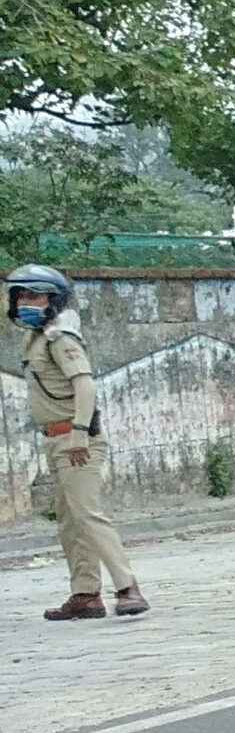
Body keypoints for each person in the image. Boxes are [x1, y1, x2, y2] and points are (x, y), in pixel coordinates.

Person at [9, 264, 147, 621]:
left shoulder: (61, 337)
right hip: (58, 438)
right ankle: (85, 594)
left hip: (75, 438)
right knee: (70, 522)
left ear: (53, 300)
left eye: (35, 295)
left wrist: (80, 432)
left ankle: (127, 588)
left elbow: (84, 384)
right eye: (22, 295)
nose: (27, 301)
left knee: (87, 515)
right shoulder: (38, 337)